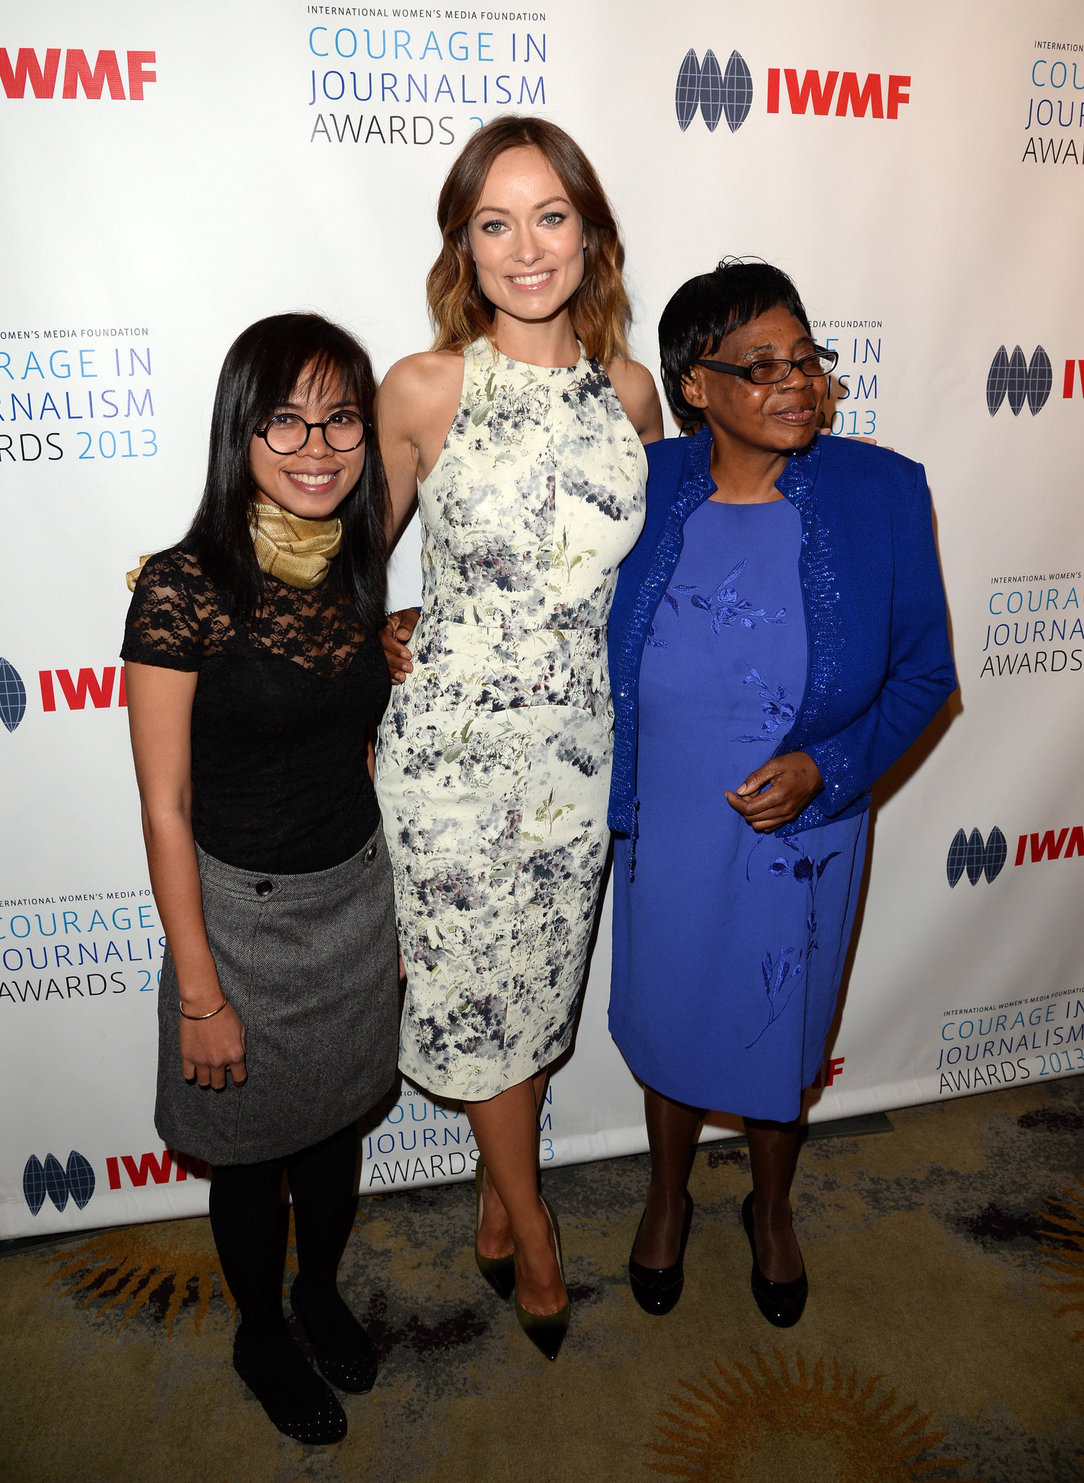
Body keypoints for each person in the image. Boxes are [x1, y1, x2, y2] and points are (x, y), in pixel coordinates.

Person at [607, 260, 955, 1325]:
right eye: (759, 366)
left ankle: (771, 1208)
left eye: (804, 357)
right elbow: (535, 596)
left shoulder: (881, 490)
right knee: (669, 1015)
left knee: (779, 1030)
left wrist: (826, 768)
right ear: (695, 386)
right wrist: (421, 630)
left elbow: (923, 675)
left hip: (802, 833)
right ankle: (665, 1197)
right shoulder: (645, 481)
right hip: (664, 818)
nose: (795, 380)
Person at [376, 114, 662, 1359]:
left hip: (576, 752)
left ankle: (498, 1195)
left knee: (536, 993)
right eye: (495, 223)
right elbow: (341, 569)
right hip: (446, 760)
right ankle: (534, 1229)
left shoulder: (634, 395)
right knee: (477, 991)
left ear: (589, 235)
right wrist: (377, 629)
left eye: (549, 216)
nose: (525, 246)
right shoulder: (423, 387)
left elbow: (652, 587)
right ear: (465, 247)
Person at [122, 314, 399, 1443]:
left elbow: (357, 743)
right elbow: (164, 806)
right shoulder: (182, 588)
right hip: (237, 920)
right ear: (240, 429)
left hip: (355, 898)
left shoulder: (360, 566)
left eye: (339, 416)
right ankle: (257, 1331)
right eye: (284, 416)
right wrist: (200, 991)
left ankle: (318, 1290)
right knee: (248, 1156)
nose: (316, 441)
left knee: (335, 1131)